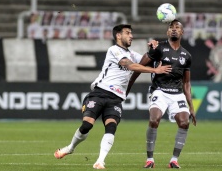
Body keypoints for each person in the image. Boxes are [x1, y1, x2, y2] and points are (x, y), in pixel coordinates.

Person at [54, 24, 172, 169]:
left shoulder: (133, 54)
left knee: (111, 127)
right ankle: (71, 147)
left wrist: (155, 48)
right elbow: (130, 65)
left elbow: (146, 59)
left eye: (131, 33)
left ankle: (100, 161)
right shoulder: (113, 50)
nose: (131, 36)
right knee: (87, 125)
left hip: (115, 99)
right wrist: (155, 70)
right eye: (128, 33)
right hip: (99, 93)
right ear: (118, 35)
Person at [126, 19, 197, 169]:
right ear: (167, 32)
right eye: (171, 27)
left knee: (184, 123)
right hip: (160, 90)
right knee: (154, 120)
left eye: (177, 27)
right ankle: (150, 159)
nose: (174, 29)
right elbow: (139, 67)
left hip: (177, 94)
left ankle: (174, 160)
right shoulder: (158, 48)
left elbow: (186, 83)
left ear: (182, 32)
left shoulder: (187, 55)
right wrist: (128, 87)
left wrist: (191, 106)